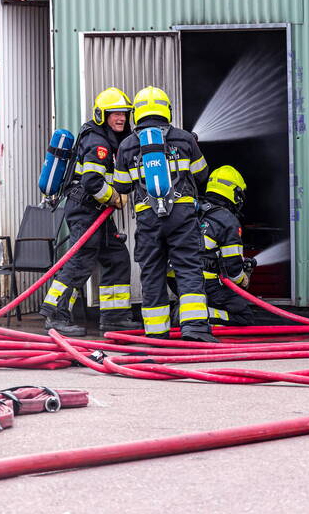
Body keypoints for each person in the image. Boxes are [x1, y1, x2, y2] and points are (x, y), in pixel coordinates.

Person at [113, 86, 216, 343]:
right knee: (188, 267)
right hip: (182, 215)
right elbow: (202, 175)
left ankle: (157, 334)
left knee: (152, 271)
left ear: (137, 113)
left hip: (148, 218)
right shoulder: (184, 139)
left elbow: (122, 186)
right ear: (166, 110)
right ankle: (194, 329)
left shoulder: (127, 145)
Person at [37, 87, 135, 336]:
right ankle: (55, 315)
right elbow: (92, 181)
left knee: (117, 258)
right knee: (80, 262)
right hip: (85, 210)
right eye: (115, 114)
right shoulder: (99, 142)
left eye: (124, 113)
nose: (121, 118)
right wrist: (113, 196)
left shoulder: (109, 139)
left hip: (96, 213)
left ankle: (114, 318)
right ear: (103, 115)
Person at [196, 165, 256, 327]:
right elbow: (233, 269)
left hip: (179, 278)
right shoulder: (227, 220)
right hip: (206, 282)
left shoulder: (196, 210)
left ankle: (190, 312)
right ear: (235, 193)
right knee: (245, 317)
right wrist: (244, 278)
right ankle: (196, 316)